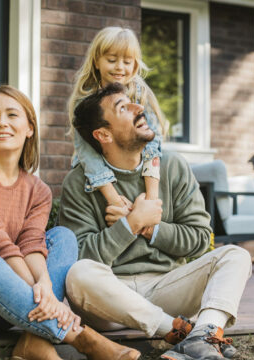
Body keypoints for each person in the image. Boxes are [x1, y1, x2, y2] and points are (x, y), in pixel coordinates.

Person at [0, 85, 140, 360]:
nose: (2, 123)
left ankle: (33, 339)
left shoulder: (38, 189)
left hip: (5, 304)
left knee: (62, 237)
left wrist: (44, 283)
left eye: (12, 114)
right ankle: (83, 338)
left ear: (29, 128)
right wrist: (42, 294)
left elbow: (31, 243)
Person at [58, 83, 252, 360]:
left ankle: (204, 332)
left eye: (133, 102)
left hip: (168, 287)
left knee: (236, 256)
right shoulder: (79, 182)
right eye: (123, 108)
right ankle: (182, 332)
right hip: (110, 298)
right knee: (78, 273)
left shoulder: (173, 166)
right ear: (103, 134)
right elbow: (80, 254)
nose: (139, 108)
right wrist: (130, 224)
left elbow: (199, 239)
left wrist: (151, 228)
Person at [68, 27, 166, 236]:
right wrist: (115, 201)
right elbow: (88, 156)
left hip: (138, 171)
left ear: (135, 64)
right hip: (98, 175)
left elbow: (152, 142)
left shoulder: (139, 93)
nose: (120, 67)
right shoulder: (86, 103)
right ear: (96, 61)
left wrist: (151, 199)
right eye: (112, 60)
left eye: (127, 61)